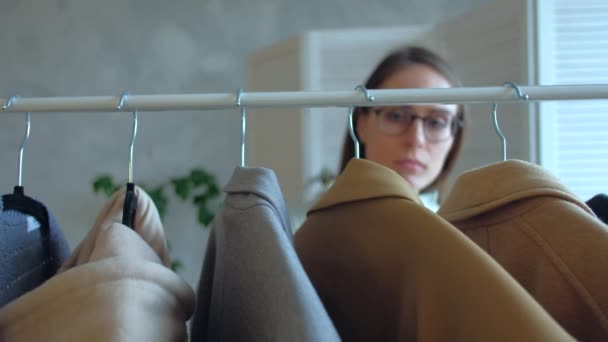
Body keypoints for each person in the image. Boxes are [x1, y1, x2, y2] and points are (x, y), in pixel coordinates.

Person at [340, 46, 466, 198]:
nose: (416, 140)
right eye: (397, 116)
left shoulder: (458, 221)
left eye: (436, 123)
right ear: (361, 125)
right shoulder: (324, 222)